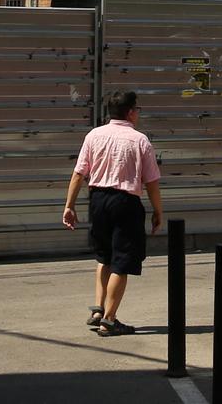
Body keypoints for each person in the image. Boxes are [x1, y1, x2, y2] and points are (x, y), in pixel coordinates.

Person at [61, 89, 163, 336]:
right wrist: (158, 211)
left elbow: (79, 173)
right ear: (130, 112)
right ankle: (110, 319)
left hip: (98, 201)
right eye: (137, 109)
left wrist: (69, 205)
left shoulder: (94, 135)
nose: (138, 113)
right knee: (122, 261)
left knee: (103, 256)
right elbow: (151, 182)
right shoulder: (140, 140)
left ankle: (98, 310)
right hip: (126, 202)